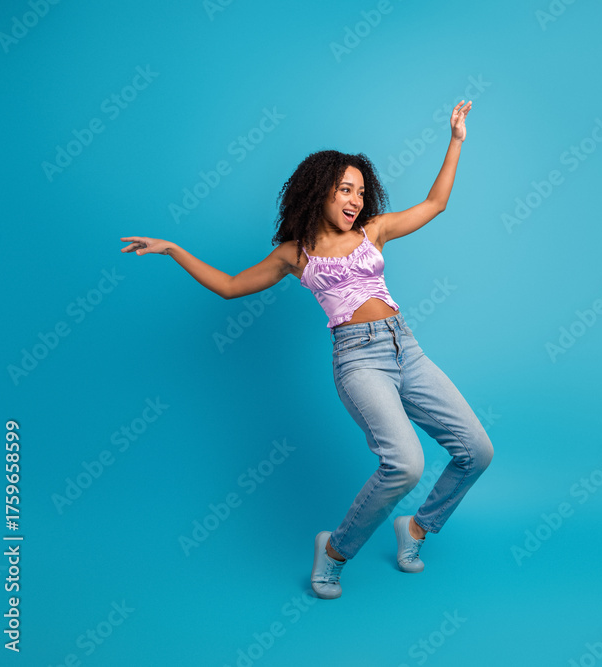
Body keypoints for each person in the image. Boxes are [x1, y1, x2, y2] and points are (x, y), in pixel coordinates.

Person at [119, 100, 493, 599]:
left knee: (477, 451)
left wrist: (455, 141)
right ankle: (335, 551)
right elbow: (230, 286)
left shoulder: (372, 231)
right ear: (320, 192)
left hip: (407, 348)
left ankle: (419, 529)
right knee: (404, 463)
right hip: (358, 361)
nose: (356, 200)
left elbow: (434, 204)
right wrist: (173, 249)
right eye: (345, 190)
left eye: (361, 191)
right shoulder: (295, 254)